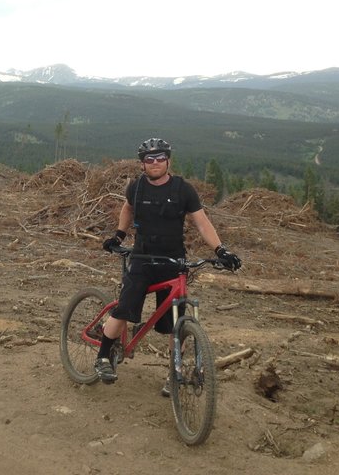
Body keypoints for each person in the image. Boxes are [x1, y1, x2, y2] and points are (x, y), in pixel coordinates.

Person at [97, 137, 241, 394]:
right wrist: (119, 235)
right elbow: (127, 209)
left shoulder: (183, 190)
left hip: (173, 261)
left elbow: (202, 223)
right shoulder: (137, 188)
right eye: (149, 159)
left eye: (160, 158)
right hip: (142, 259)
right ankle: (103, 356)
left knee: (177, 323)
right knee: (125, 309)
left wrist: (221, 249)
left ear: (168, 161)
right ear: (142, 164)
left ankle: (173, 372)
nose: (154, 163)